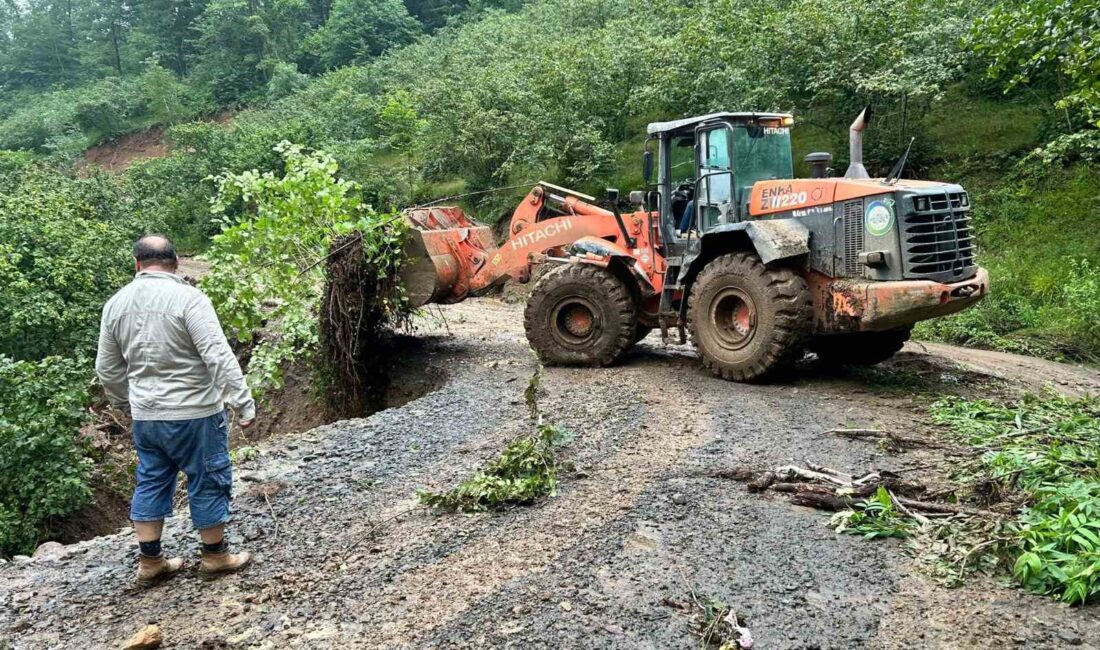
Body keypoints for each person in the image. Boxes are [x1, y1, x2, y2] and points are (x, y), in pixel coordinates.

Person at [95, 235, 256, 585]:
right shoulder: (189, 299)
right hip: (195, 411)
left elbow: (107, 368)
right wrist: (241, 401)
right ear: (176, 263)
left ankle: (151, 561)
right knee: (208, 477)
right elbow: (216, 354)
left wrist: (125, 403)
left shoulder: (115, 304)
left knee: (152, 479)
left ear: (137, 263)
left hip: (147, 416)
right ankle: (215, 556)